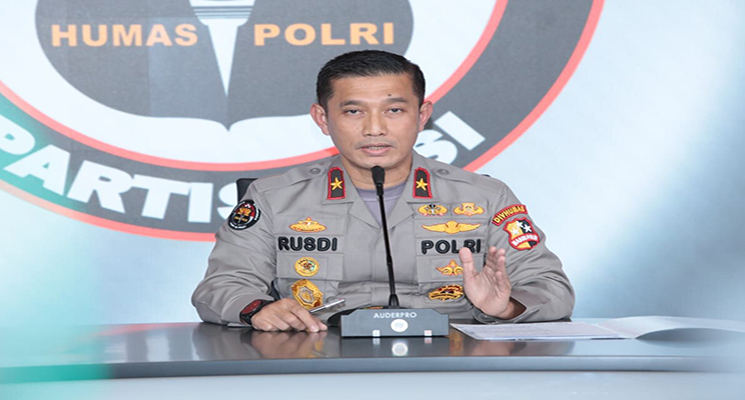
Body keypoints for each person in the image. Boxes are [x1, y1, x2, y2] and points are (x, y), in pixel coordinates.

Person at [192, 50, 574, 332]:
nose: (374, 129)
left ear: (422, 116)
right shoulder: (273, 197)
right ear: (323, 119)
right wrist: (258, 309)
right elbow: (221, 287)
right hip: (317, 355)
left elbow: (552, 289)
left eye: (394, 110)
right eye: (353, 111)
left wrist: (505, 308)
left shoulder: (485, 196)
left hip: (451, 356)